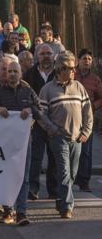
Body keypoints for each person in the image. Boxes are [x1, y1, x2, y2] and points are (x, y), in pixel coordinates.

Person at [38, 51, 93, 219]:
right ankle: (67, 207)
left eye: (74, 68)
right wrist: (53, 130)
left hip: (77, 137)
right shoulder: (47, 89)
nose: (74, 71)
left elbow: (87, 112)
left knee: (73, 173)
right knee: (64, 171)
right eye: (70, 68)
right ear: (61, 69)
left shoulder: (79, 87)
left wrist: (86, 132)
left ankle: (61, 199)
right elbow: (41, 114)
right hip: (58, 137)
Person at [0, 61, 42, 226]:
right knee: (6, 175)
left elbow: (40, 109)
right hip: (4, 143)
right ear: (6, 74)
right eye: (10, 71)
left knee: (23, 177)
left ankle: (21, 212)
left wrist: (31, 111)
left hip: (24, 142)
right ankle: (8, 210)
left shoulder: (28, 91)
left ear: (20, 74)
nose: (12, 74)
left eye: (15, 71)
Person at [23, 44, 57, 200]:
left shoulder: (59, 73)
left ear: (53, 56)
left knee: (54, 157)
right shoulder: (29, 75)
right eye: (42, 54)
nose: (46, 56)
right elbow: (25, 98)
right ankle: (33, 189)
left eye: (49, 53)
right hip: (36, 123)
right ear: (37, 56)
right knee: (35, 157)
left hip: (55, 122)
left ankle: (54, 190)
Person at [74, 49, 102, 192]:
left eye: (89, 59)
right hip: (71, 117)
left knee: (86, 151)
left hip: (87, 119)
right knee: (70, 149)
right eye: (84, 58)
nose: (87, 61)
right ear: (78, 60)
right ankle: (70, 179)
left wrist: (93, 106)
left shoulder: (95, 79)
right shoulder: (72, 75)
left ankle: (84, 181)